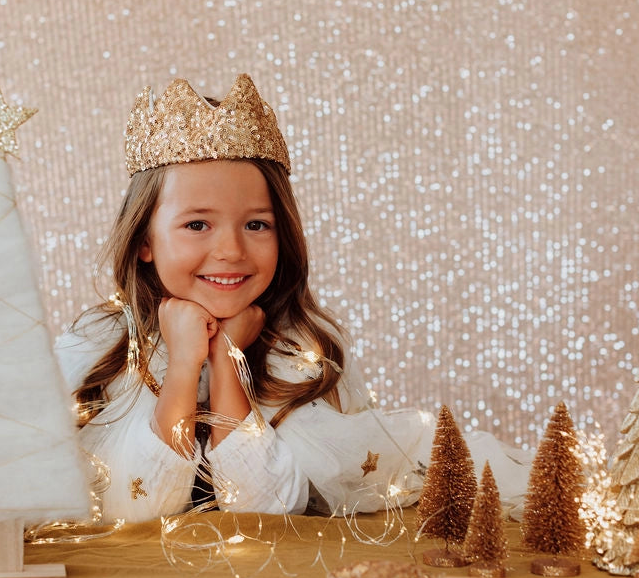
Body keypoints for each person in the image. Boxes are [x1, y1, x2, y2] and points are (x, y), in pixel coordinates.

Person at [56, 74, 527, 524]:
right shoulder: (101, 346)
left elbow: (262, 507)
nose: (231, 251)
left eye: (256, 224)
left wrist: (229, 362)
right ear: (145, 240)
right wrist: (183, 365)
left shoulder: (300, 347)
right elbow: (139, 508)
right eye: (197, 224)